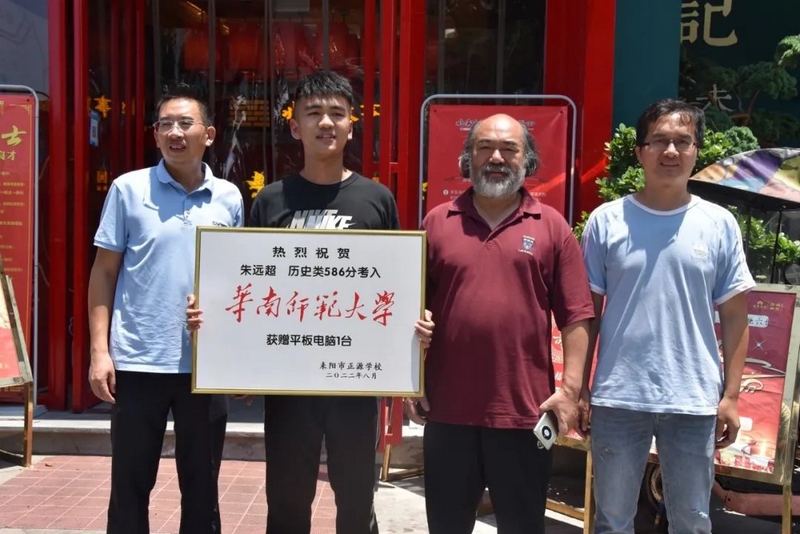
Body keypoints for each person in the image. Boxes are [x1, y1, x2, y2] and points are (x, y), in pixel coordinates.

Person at [187, 70, 434, 534]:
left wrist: (413, 325)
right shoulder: (271, 200)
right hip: (289, 387)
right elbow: (251, 287)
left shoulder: (377, 200)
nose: (326, 122)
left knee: (356, 503)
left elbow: (396, 284)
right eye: (313, 113)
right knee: (286, 503)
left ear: (351, 126)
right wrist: (226, 344)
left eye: (337, 113)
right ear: (294, 126)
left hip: (355, 383)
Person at [405, 113, 594, 534]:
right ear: (467, 158)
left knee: (523, 526)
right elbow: (410, 310)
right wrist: (410, 382)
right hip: (448, 410)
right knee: (446, 527)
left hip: (525, 412)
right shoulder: (437, 221)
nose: (496, 158)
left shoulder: (552, 227)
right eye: (484, 147)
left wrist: (570, 392)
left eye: (509, 149)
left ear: (527, 161)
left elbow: (577, 315)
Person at [580, 99, 755, 533]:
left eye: (683, 141)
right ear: (640, 152)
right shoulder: (606, 221)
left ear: (697, 152)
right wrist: (578, 388)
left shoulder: (719, 223)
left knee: (692, 521)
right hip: (619, 397)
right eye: (659, 141)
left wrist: (731, 396)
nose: (671, 151)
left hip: (693, 400)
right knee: (612, 521)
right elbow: (587, 313)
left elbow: (736, 317)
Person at [88, 87, 243, 534]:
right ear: (155, 135)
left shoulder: (229, 197)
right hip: (139, 361)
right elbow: (103, 272)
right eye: (165, 125)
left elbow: (238, 280)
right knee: (130, 484)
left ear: (208, 135)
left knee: (202, 487)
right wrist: (100, 352)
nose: (175, 132)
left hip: (205, 367)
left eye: (185, 123)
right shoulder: (128, 189)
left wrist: (239, 360)